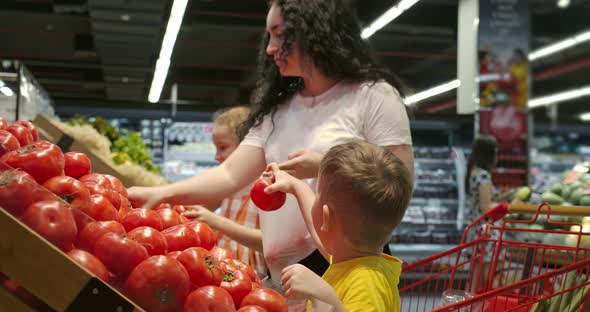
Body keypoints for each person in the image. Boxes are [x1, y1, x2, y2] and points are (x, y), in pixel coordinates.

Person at [128, 0, 414, 302]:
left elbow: (398, 180)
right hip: (282, 278)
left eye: (280, 34)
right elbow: (229, 174)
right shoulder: (278, 109)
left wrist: (324, 166)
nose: (270, 47)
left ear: (314, 31)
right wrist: (160, 193)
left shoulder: (373, 96)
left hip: (342, 268)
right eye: (269, 36)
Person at [262, 141, 412, 311]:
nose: (314, 197)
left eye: (317, 194)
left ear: (325, 217)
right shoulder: (352, 261)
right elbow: (321, 230)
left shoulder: (367, 286)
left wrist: (324, 297)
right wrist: (296, 186)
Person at [183, 106, 267, 277]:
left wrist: (217, 222)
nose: (216, 156)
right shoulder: (227, 188)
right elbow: (201, 205)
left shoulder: (265, 187)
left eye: (222, 148)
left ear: (246, 149)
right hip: (224, 267)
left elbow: (269, 242)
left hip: (250, 274)